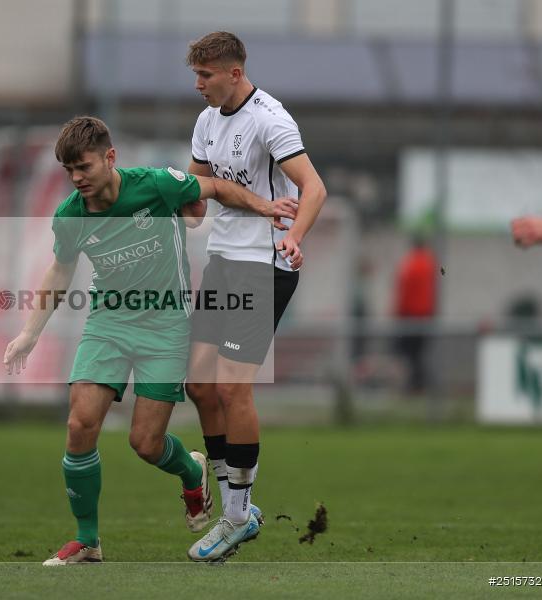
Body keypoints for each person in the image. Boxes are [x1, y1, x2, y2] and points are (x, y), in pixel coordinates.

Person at [2, 116, 297, 565]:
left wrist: (264, 206)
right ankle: (88, 540)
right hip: (107, 324)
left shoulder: (158, 185)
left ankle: (191, 469)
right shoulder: (70, 216)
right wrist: (29, 333)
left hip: (166, 328)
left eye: (84, 167)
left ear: (110, 158)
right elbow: (59, 270)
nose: (77, 178)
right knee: (80, 425)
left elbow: (214, 187)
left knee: (145, 443)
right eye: (69, 171)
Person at [180, 32, 327, 562]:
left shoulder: (271, 119)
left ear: (234, 73)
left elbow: (314, 188)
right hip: (224, 261)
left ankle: (237, 516)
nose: (198, 85)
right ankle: (237, 506)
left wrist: (295, 236)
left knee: (233, 390)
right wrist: (174, 211)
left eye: (206, 76)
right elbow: (196, 190)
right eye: (195, 75)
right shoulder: (206, 120)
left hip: (264, 265)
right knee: (199, 384)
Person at [393, 235, 437, 393]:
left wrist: (397, 312)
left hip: (410, 314)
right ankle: (419, 383)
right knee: (419, 353)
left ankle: (417, 384)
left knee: (411, 354)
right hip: (426, 314)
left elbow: (404, 290)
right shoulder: (429, 263)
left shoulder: (410, 264)